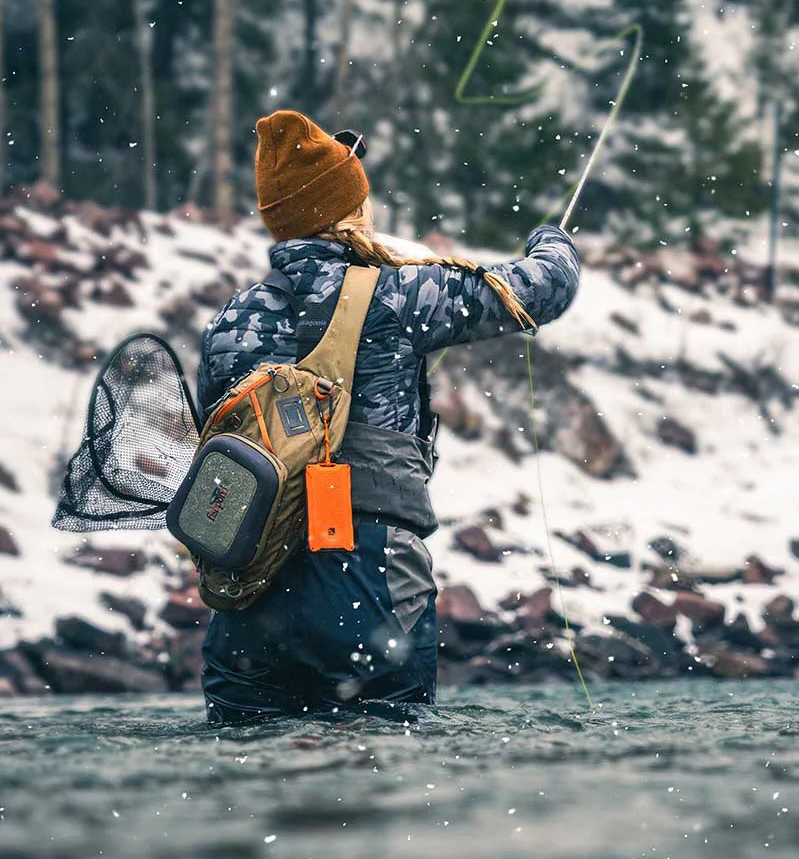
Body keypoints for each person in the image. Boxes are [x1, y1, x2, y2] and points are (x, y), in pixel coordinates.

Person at [195, 109, 581, 723]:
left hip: (247, 598)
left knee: (250, 782)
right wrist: (552, 242)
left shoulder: (229, 324)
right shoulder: (393, 295)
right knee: (383, 781)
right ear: (349, 210)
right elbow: (541, 290)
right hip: (364, 578)